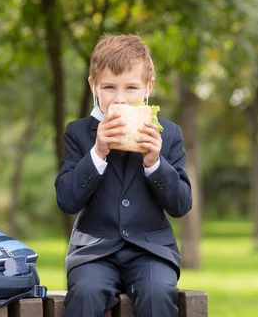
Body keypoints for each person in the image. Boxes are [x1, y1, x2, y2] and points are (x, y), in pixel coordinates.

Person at [54, 33, 192, 317]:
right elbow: (67, 200)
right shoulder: (79, 133)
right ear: (94, 87)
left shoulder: (169, 133)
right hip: (94, 252)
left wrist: (155, 161)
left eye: (131, 87)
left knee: (157, 295)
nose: (120, 98)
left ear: (148, 88)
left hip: (151, 251)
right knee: (85, 294)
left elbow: (181, 205)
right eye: (109, 87)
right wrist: (98, 153)